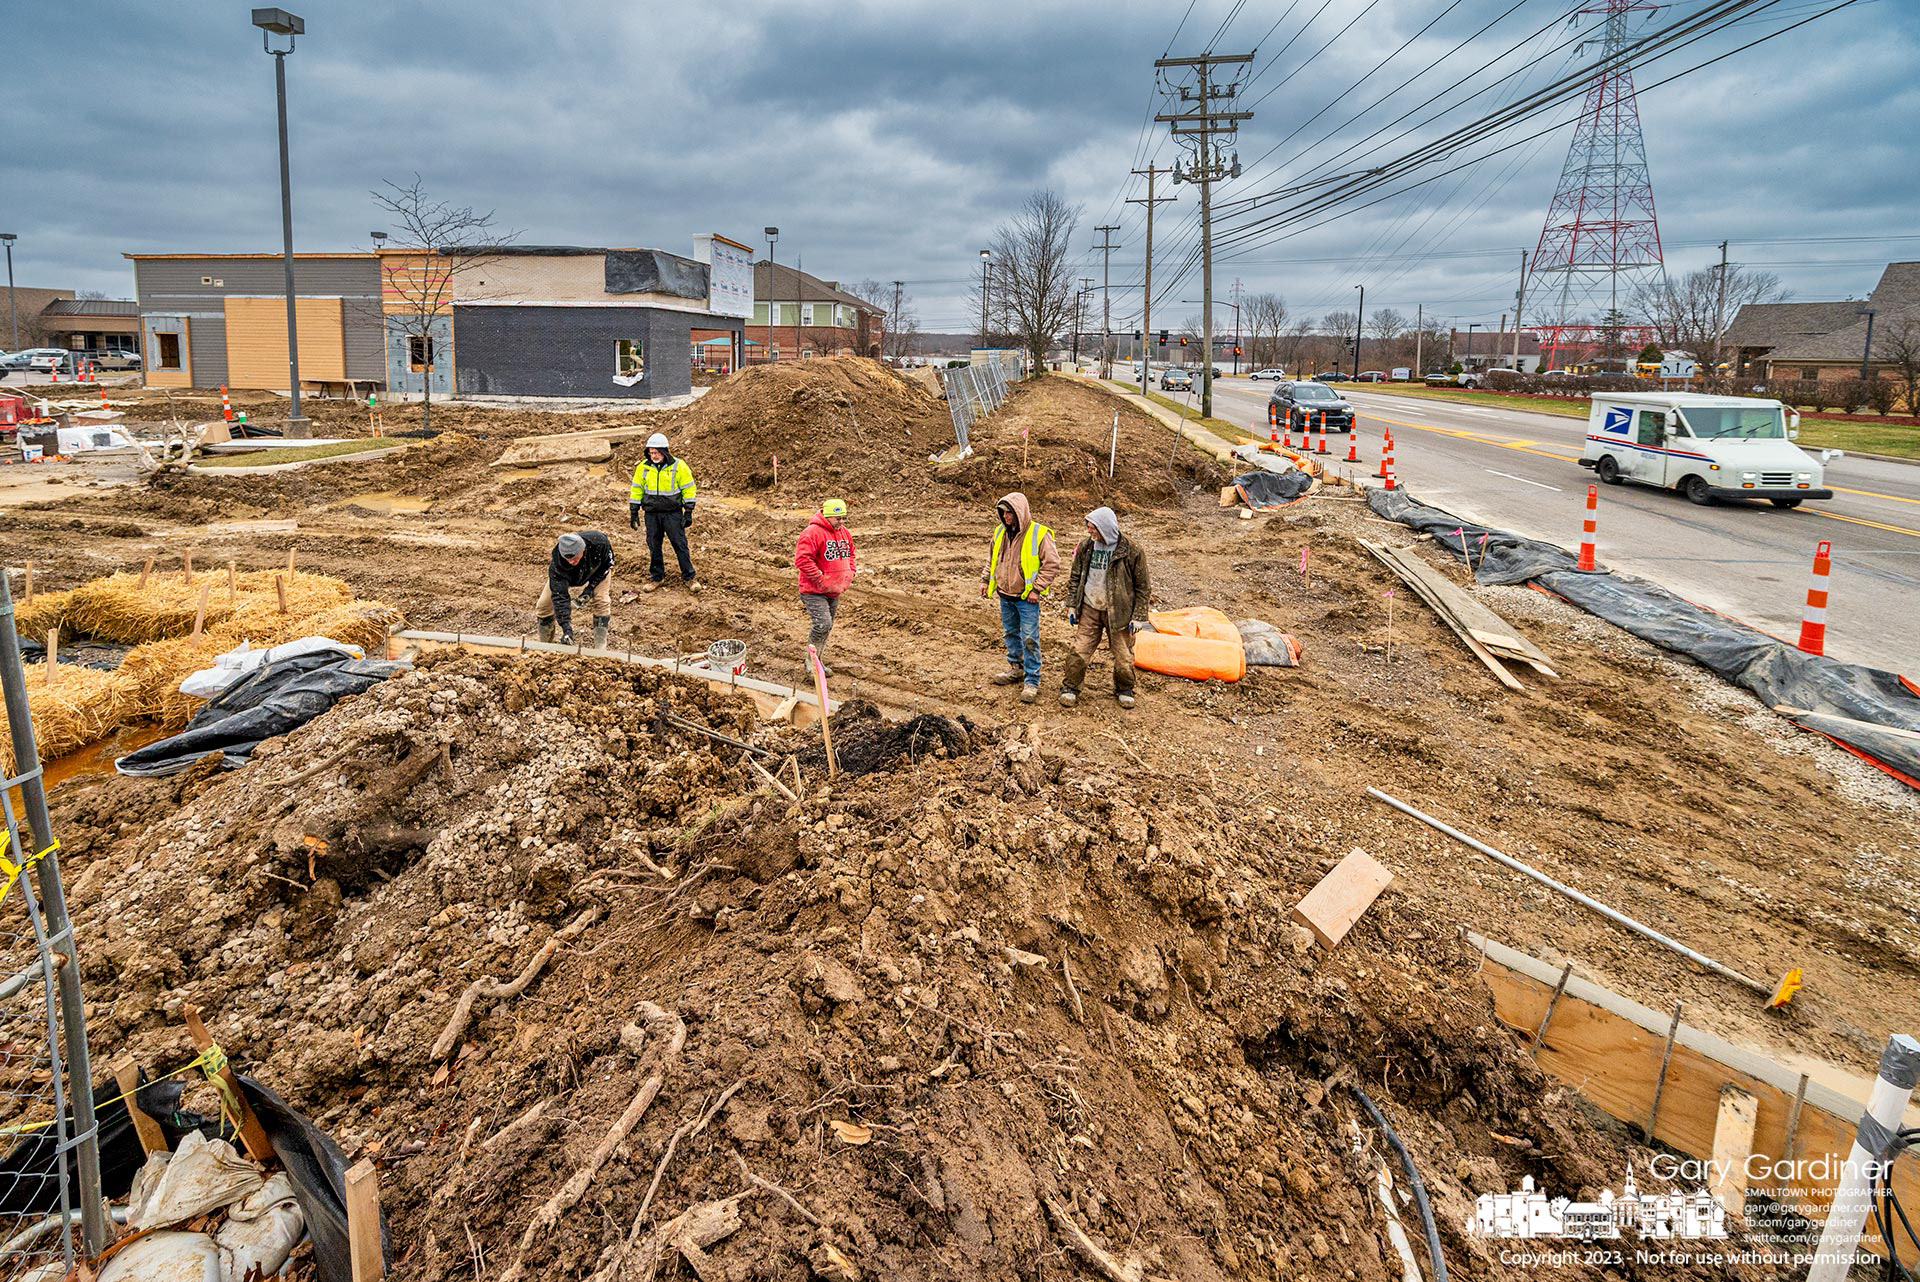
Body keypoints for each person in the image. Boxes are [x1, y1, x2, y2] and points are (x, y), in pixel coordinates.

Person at [1061, 506, 1151, 709]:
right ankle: (1071, 687)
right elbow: (1075, 577)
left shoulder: (1131, 550)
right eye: (1089, 527)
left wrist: (1138, 616)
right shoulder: (1086, 547)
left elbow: (1143, 586)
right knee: (1079, 650)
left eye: (1093, 528)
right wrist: (1072, 605)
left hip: (1119, 612)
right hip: (1090, 608)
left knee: (1123, 655)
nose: (1089, 532)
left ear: (1105, 528)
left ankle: (1124, 689)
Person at [978, 492, 1059, 703]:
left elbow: (1052, 565)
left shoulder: (1039, 534)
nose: (1005, 517)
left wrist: (1036, 589)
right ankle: (1016, 669)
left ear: (1019, 513)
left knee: (1030, 639)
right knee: (1010, 634)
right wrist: (985, 580)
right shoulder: (999, 533)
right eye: (1003, 513)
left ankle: (1032, 680)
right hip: (1005, 594)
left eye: (1009, 513)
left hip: (1026, 598)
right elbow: (992, 559)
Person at [629, 432, 700, 594]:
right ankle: (657, 577)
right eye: (651, 452)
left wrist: (688, 511)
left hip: (672, 513)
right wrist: (633, 510)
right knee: (654, 545)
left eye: (657, 452)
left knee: (680, 545)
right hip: (652, 514)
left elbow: (689, 488)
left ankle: (689, 577)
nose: (653, 456)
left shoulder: (679, 466)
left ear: (665, 451)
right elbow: (636, 488)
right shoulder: (643, 467)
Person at [794, 498, 856, 674]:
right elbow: (802, 560)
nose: (842, 522)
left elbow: (851, 553)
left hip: (834, 591)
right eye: (838, 518)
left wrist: (850, 572)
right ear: (827, 516)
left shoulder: (845, 533)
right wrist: (821, 579)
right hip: (814, 591)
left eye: (844, 518)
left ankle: (817, 661)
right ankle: (811, 663)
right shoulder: (811, 533)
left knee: (827, 627)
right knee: (822, 624)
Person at [537, 530, 615, 648]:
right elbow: (560, 597)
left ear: (582, 549)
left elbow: (607, 565)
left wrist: (590, 589)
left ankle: (600, 649)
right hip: (569, 576)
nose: (571, 561)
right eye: (568, 558)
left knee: (602, 601)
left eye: (574, 557)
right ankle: (545, 646)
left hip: (597, 571)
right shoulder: (558, 565)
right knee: (543, 605)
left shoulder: (599, 543)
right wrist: (566, 629)